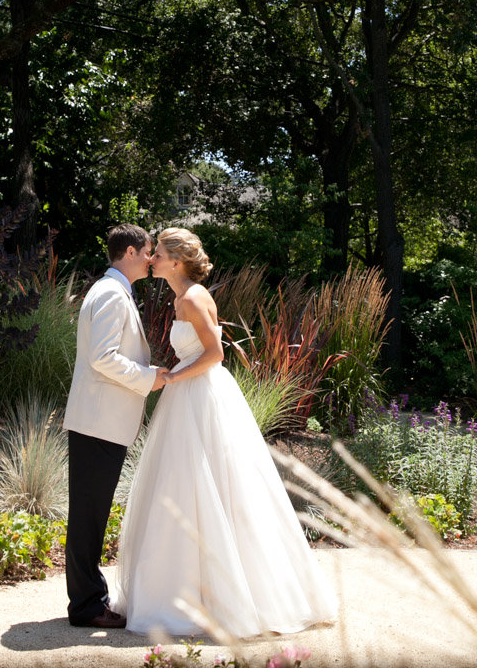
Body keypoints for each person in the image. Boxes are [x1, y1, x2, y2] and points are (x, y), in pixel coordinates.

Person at [113, 227, 337, 639]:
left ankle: (228, 596)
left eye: (158, 253)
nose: (152, 258)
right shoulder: (180, 297)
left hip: (200, 396)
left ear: (176, 261)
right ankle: (185, 589)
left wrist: (175, 378)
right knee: (182, 489)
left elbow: (215, 355)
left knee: (212, 486)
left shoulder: (196, 297)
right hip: (185, 397)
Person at [63, 222, 166, 629]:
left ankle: (90, 597)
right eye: (147, 252)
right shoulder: (110, 293)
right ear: (129, 251)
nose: (151, 258)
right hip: (98, 423)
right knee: (88, 515)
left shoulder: (115, 291)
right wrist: (148, 377)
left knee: (90, 513)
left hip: (101, 421)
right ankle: (86, 606)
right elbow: (102, 358)